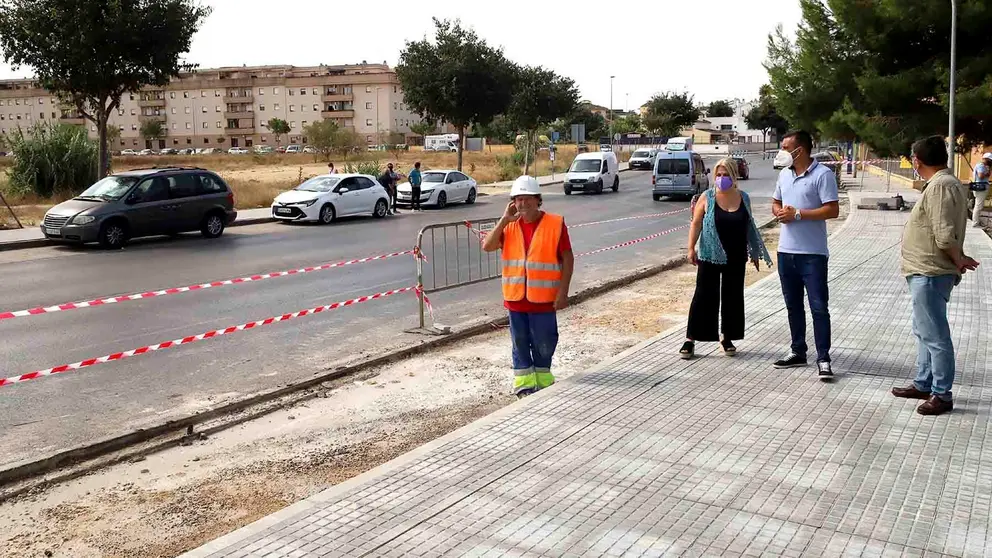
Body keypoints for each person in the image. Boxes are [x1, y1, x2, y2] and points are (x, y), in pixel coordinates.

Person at [892, 136, 980, 416]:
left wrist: (958, 259)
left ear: (916, 161)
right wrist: (958, 258)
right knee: (924, 331)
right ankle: (924, 382)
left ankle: (941, 394)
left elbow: (943, 234)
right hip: (925, 270)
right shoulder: (943, 183)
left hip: (930, 271)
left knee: (936, 336)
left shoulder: (941, 185)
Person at [482, 176, 574, 398]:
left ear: (537, 199)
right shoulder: (509, 226)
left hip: (544, 300)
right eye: (518, 199)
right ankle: (524, 385)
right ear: (513, 202)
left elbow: (567, 258)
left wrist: (563, 292)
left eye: (527, 198)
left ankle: (544, 382)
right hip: (516, 300)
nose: (523, 204)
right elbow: (487, 246)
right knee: (520, 343)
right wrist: (504, 220)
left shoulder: (554, 224)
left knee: (545, 342)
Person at [680, 158, 773, 359]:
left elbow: (749, 225)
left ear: (734, 176)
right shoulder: (707, 197)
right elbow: (696, 223)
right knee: (703, 296)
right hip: (710, 254)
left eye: (726, 175)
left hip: (736, 256)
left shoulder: (743, 197)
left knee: (733, 297)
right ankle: (690, 339)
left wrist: (754, 252)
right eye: (719, 175)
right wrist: (691, 248)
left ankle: (727, 337)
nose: (722, 179)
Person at [771, 129, 840, 379]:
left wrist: (798, 214)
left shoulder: (822, 175)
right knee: (793, 306)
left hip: (813, 254)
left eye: (786, 147)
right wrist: (779, 212)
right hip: (785, 252)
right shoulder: (784, 174)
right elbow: (776, 202)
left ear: (800, 150)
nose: (782, 151)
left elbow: (832, 210)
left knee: (819, 307)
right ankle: (798, 350)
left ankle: (824, 358)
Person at [971, 152, 991, 227]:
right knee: (978, 206)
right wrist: (986, 173)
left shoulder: (983, 166)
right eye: (989, 160)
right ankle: (975, 223)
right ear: (985, 159)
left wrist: (988, 170)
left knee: (979, 205)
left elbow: (986, 176)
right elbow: (981, 176)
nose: (990, 161)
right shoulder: (981, 165)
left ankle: (976, 221)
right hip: (981, 187)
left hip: (980, 187)